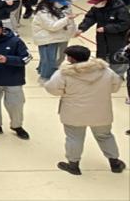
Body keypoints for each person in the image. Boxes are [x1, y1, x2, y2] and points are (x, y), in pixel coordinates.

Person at [44, 45, 126, 175]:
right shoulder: (106, 71)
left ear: (71, 59)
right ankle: (115, 163)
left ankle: (73, 165)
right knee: (105, 136)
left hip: (73, 113)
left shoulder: (64, 73)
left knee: (74, 138)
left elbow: (52, 89)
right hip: (101, 112)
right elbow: (115, 86)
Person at [31, 0, 77, 82]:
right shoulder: (43, 12)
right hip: (47, 40)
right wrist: (67, 19)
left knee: (53, 59)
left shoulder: (56, 10)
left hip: (56, 38)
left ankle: (45, 73)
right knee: (49, 60)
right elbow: (52, 26)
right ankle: (45, 78)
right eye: (60, 3)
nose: (62, 5)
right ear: (52, 2)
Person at [78, 0, 130, 71]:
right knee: (101, 59)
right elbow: (90, 18)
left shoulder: (120, 9)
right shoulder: (96, 8)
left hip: (118, 39)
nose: (95, 5)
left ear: (104, 1)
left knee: (117, 63)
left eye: (96, 3)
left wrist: (106, 28)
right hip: (102, 38)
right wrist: (82, 28)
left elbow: (125, 24)